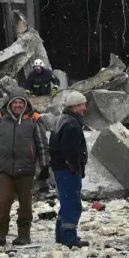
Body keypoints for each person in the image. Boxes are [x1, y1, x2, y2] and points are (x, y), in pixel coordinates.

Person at [0, 90, 48, 247]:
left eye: (21, 103)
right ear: (9, 104)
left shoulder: (34, 120)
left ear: (26, 104)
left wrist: (44, 166)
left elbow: (42, 144)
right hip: (5, 169)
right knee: (4, 201)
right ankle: (1, 234)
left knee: (25, 205)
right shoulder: (0, 119)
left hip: (26, 168)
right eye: (15, 102)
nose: (18, 105)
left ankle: (24, 235)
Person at [49, 90, 90, 248]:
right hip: (67, 170)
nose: (84, 109)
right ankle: (68, 239)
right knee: (72, 205)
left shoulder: (62, 119)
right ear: (76, 106)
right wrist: (75, 168)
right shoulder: (72, 124)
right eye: (83, 105)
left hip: (60, 169)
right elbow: (70, 150)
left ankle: (61, 235)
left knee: (66, 204)